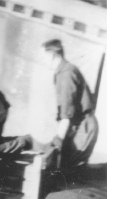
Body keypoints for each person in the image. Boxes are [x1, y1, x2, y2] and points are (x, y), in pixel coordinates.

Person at [40, 39, 99, 170]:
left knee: (65, 172)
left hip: (83, 128)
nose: (42, 60)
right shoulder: (63, 72)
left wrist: (57, 144)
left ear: (52, 55)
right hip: (78, 127)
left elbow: (66, 117)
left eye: (43, 56)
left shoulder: (67, 74)